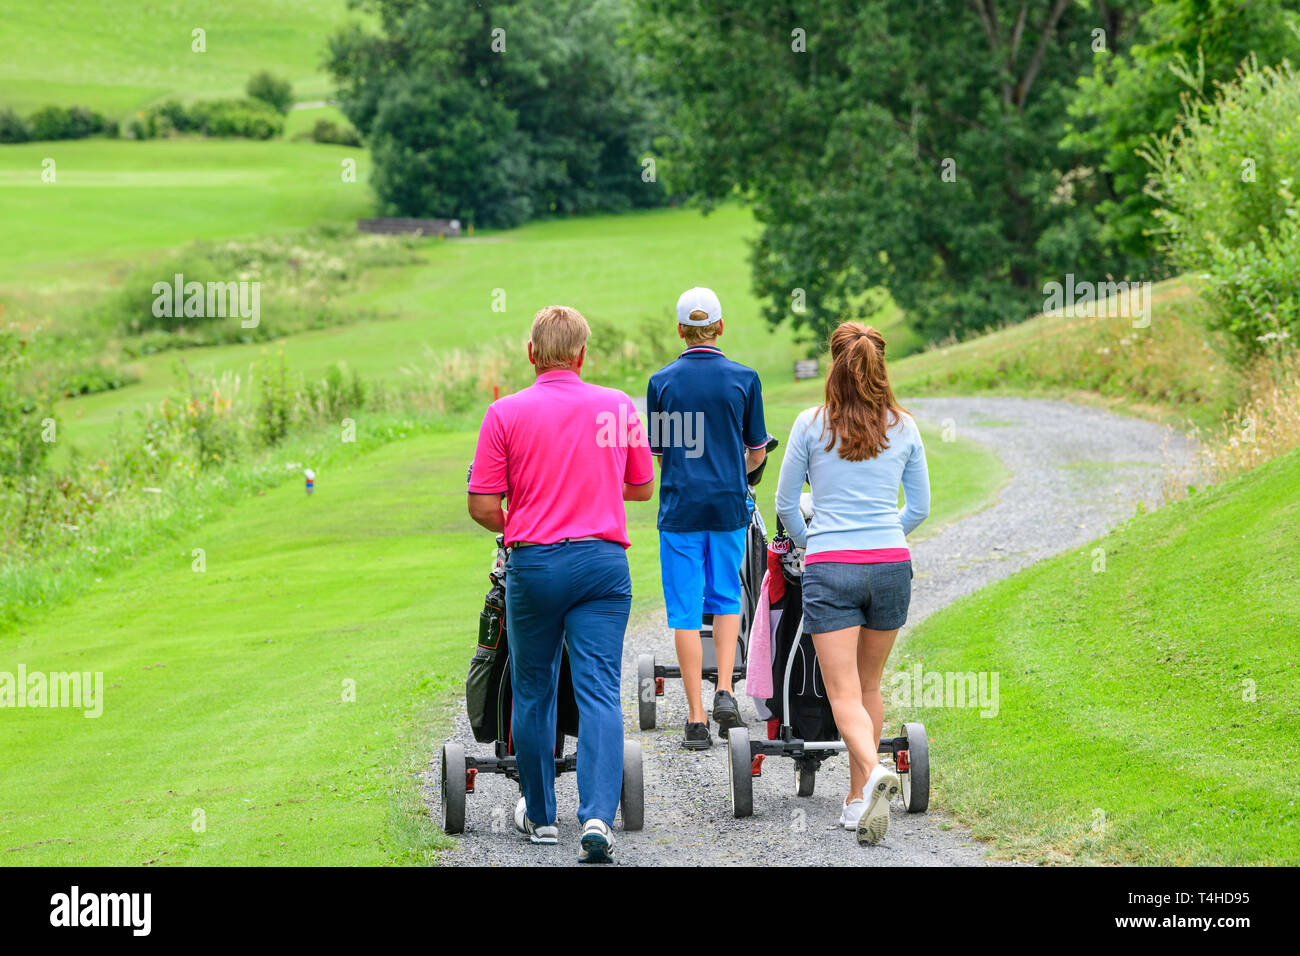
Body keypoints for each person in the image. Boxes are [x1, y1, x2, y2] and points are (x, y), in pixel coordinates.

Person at [467, 305, 654, 863]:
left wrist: (520, 524)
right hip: (602, 564)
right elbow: (641, 487)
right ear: (582, 355)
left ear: (531, 354)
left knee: (534, 688)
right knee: (599, 689)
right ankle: (597, 815)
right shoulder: (617, 406)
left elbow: (481, 504)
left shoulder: (504, 412)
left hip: (536, 565)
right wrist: (589, 492)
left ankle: (541, 816)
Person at [774, 322, 930, 846]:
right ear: (881, 366)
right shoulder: (903, 426)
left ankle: (874, 771)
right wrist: (886, 537)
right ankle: (856, 799)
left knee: (841, 690)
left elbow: (783, 504)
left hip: (831, 566)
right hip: (890, 565)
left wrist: (811, 543)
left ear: (833, 363)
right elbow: (921, 508)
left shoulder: (810, 424)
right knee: (869, 687)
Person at [646, 287, 768, 749]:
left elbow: (661, 454)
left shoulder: (662, 383)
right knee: (725, 598)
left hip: (681, 508)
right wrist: (737, 469)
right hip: (728, 506)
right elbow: (756, 451)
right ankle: (725, 691)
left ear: (680, 330)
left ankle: (695, 718)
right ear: (720, 327)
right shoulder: (745, 378)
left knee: (683, 609)